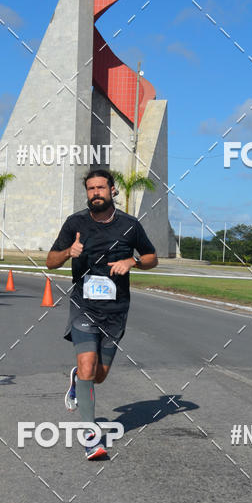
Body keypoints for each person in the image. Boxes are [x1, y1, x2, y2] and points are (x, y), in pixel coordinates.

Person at [46, 169, 158, 459]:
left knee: (98, 376)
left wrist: (132, 261)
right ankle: (90, 437)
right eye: (91, 188)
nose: (96, 193)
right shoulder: (75, 223)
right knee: (87, 366)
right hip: (84, 305)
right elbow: (50, 261)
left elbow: (151, 257)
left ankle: (77, 383)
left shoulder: (130, 225)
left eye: (101, 188)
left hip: (116, 309)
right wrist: (68, 251)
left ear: (113, 190)